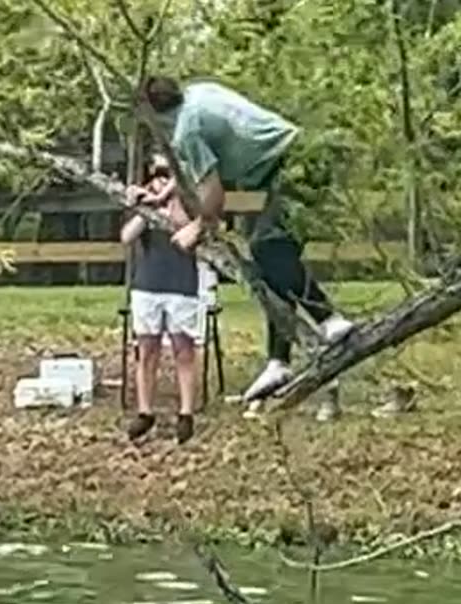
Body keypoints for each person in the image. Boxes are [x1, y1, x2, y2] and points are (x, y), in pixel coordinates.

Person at [138, 76, 356, 403]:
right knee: (271, 261)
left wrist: (199, 226)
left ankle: (330, 320)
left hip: (295, 164)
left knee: (266, 247)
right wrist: (165, 194)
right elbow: (191, 164)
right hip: (303, 157)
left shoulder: (186, 131)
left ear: (151, 112)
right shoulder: (198, 93)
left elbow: (212, 193)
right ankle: (278, 360)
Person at [122, 153, 200, 444]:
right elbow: (127, 237)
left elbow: (185, 225)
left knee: (184, 350)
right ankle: (145, 411)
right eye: (155, 172)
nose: (159, 178)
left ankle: (186, 412)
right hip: (147, 284)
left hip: (181, 284)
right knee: (147, 349)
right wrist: (145, 207)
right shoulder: (142, 204)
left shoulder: (187, 200)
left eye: (166, 172)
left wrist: (169, 200)